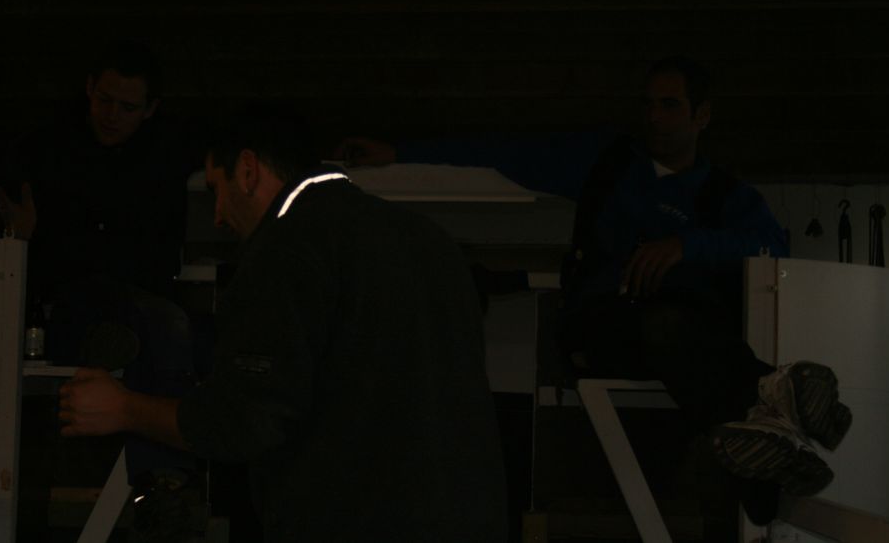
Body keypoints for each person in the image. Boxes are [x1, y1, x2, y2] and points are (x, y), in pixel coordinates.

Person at [337, 56, 852, 522]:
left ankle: (765, 458)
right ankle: (772, 394)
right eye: (648, 105)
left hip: (686, 338)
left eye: (669, 105)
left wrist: (685, 246)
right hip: (601, 327)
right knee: (668, 322)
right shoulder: (608, 162)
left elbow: (771, 245)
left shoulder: (724, 195)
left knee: (681, 322)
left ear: (702, 116)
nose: (654, 117)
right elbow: (505, 152)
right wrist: (399, 152)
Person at [58, 103, 509, 543]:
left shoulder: (286, 249)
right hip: (470, 518)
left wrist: (124, 408)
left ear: (248, 170)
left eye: (216, 189)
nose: (218, 215)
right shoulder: (427, 238)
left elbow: (241, 421)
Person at [0, 41, 199, 525]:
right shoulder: (48, 150)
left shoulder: (166, 156)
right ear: (89, 89)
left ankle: (163, 481)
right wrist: (23, 238)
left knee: (168, 326)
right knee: (152, 324)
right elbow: (25, 240)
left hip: (137, 299)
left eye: (126, 106)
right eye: (104, 100)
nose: (111, 115)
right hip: (67, 300)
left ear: (149, 109)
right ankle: (162, 477)